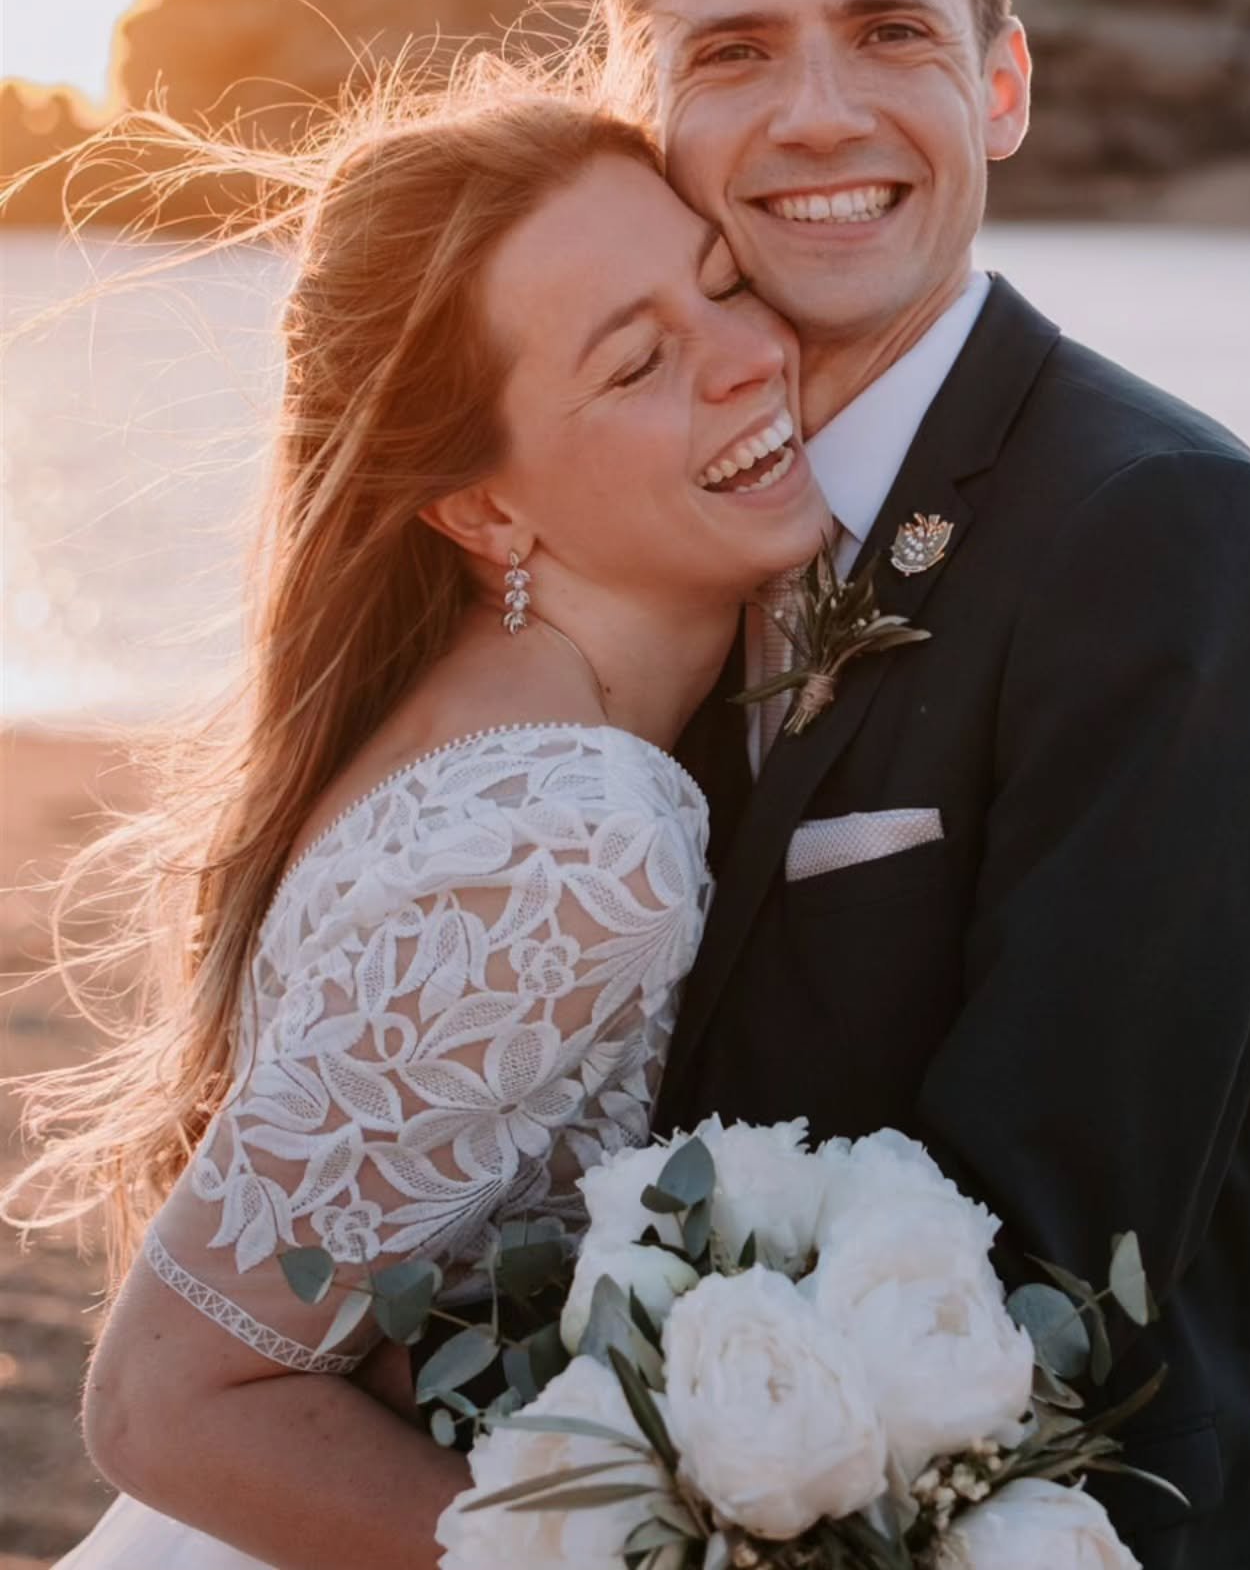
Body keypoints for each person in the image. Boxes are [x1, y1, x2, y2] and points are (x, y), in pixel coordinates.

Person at [599, 0, 1250, 1565]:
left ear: (1000, 85)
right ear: (637, 110)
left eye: (889, 34)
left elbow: (1052, 1244)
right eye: (732, 52)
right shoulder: (635, 517)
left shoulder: (1166, 535)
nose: (819, 113)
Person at [4, 78, 830, 1569]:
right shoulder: (573, 830)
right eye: (639, 362)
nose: (748, 358)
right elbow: (162, 1403)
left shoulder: (479, 722)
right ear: (481, 511)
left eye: (722, 284)